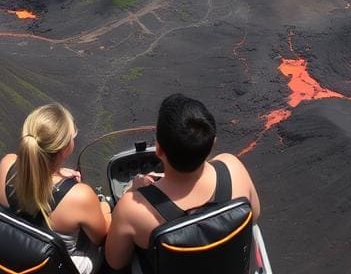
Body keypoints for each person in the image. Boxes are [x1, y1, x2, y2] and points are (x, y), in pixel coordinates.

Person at [104, 93, 261, 272]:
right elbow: (254, 215)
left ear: (159, 149)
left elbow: (116, 261)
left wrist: (132, 192)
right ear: (211, 144)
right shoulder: (233, 168)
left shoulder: (132, 209)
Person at [0, 103, 111, 274]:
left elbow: (33, 184)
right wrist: (105, 206)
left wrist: (57, 174)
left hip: (22, 259)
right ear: (65, 150)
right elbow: (101, 237)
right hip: (62, 266)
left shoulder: (7, 165)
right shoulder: (79, 196)